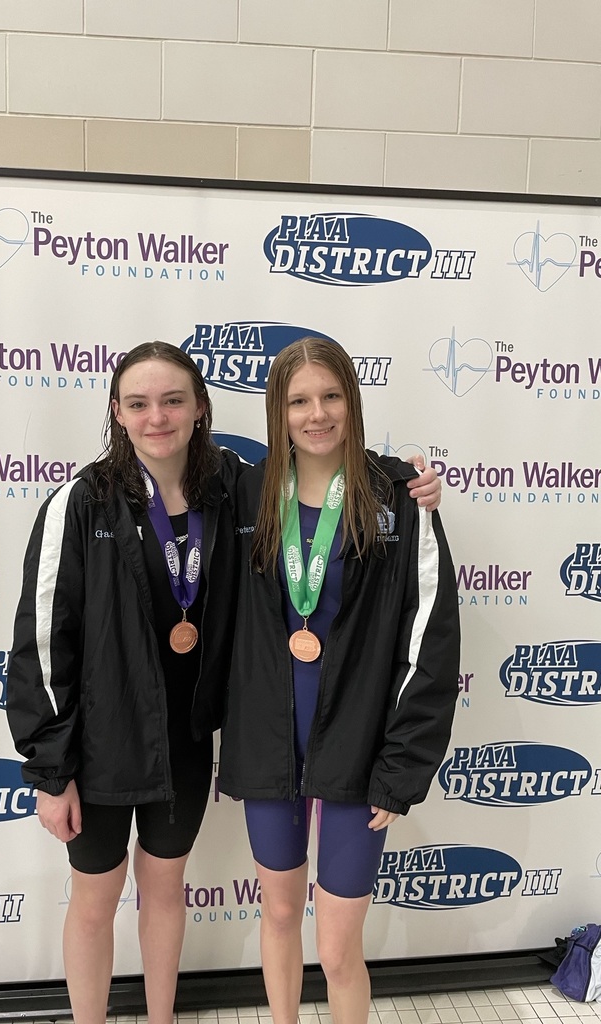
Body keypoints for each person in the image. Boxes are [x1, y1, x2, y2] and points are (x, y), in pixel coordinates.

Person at [5, 340, 444, 1024]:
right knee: (123, 902)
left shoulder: (245, 490)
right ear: (116, 411)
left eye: (173, 400)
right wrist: (49, 766)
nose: (157, 416)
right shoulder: (109, 500)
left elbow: (425, 640)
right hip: (139, 745)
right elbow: (42, 637)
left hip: (275, 745)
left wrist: (407, 474)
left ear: (200, 408)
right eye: (139, 403)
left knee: (288, 930)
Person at [218, 337, 460, 1024]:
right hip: (269, 744)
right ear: (278, 411)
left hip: (359, 749)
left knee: (337, 946)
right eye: (299, 401)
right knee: (279, 915)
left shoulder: (398, 496)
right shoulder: (246, 492)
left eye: (330, 396)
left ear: (352, 400)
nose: (316, 414)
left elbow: (430, 639)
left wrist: (402, 766)